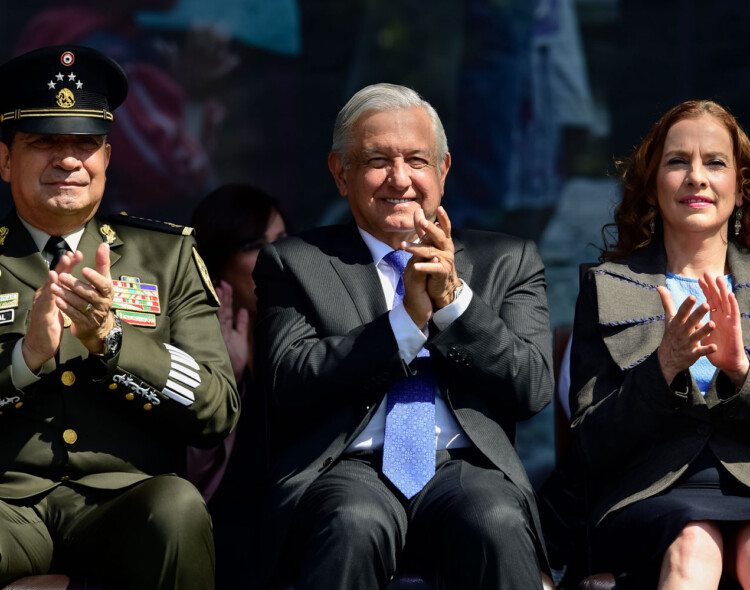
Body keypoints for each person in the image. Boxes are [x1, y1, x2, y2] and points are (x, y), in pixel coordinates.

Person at [253, 82, 554, 588]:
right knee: (353, 522)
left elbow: (532, 387)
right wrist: (405, 323)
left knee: (495, 519)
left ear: (443, 169)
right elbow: (287, 383)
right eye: (377, 160)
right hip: (350, 468)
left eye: (416, 160)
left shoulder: (509, 259)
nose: (400, 179)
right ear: (340, 173)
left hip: (464, 467)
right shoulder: (296, 262)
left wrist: (453, 303)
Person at [0, 45, 239, 589]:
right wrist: (24, 360)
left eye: (85, 144)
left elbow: (217, 412)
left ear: (108, 157)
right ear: (5, 160)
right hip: (6, 506)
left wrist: (113, 342)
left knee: (178, 509)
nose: (67, 160)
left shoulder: (167, 254)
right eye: (44, 143)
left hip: (126, 501)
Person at [570, 100, 750, 588]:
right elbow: (590, 445)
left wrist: (741, 373)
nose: (696, 176)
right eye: (677, 161)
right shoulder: (606, 284)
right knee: (695, 542)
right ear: (651, 187)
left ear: (739, 185)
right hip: (648, 493)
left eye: (715, 162)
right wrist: (662, 367)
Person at [185, 183, 287, 588]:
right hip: (225, 532)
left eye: (282, 240)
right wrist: (224, 380)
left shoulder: (310, 331)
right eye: (254, 245)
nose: (276, 257)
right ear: (217, 260)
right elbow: (193, 479)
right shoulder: (190, 339)